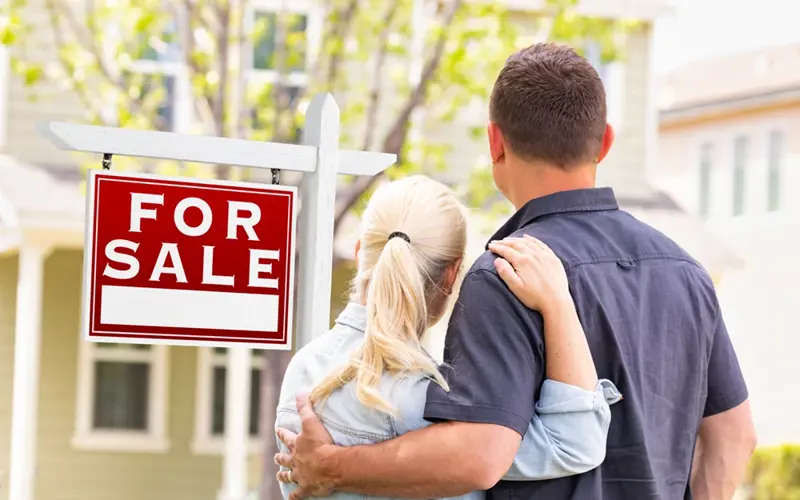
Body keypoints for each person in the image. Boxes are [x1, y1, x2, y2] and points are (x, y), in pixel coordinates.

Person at [276, 43, 757, 500]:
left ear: (495, 141)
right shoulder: (686, 274)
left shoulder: (503, 277)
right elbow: (733, 436)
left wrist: (332, 465)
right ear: (606, 142)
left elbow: (477, 453)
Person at [275, 175, 622, 500]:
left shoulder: (303, 368)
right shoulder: (428, 398)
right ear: (453, 273)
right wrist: (558, 303)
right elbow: (574, 443)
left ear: (359, 251)